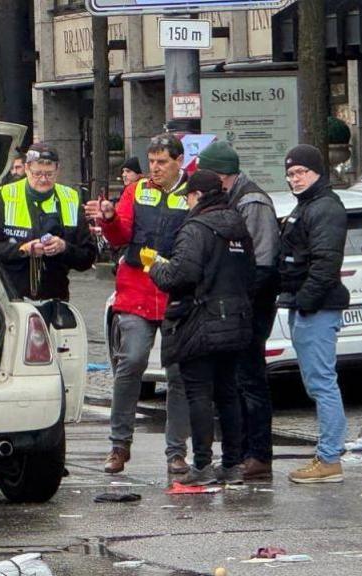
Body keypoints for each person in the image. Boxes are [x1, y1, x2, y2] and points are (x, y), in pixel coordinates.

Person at [85, 134, 192, 476]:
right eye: (152, 162)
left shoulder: (191, 193)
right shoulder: (137, 190)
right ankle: (119, 446)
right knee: (130, 362)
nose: (155, 168)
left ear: (179, 161)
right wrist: (110, 218)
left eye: (162, 162)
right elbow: (119, 237)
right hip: (136, 292)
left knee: (178, 374)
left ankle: (176, 452)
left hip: (177, 295)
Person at [146, 170, 254, 485]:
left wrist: (155, 268)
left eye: (188, 196)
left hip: (199, 322)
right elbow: (249, 273)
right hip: (235, 321)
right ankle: (233, 464)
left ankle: (203, 465)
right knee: (228, 392)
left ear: (198, 196)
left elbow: (181, 276)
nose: (187, 201)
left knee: (198, 394)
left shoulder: (196, 228)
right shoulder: (238, 226)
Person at [197, 141, 281, 481]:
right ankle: (243, 451)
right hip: (238, 303)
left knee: (250, 379)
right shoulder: (235, 197)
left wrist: (238, 300)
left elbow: (261, 262)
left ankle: (258, 454)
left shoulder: (252, 201)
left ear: (220, 175)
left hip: (251, 304)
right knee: (236, 380)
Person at [278, 144, 350, 484]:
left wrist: (305, 300)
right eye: (291, 174)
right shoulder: (308, 206)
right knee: (317, 383)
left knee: (322, 383)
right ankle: (327, 455)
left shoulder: (324, 209)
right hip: (306, 305)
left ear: (317, 172)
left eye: (301, 172)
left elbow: (325, 263)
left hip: (317, 308)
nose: (295, 179)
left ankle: (329, 458)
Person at [0, 144, 97, 300]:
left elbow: (87, 257)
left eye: (49, 174)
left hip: (55, 297)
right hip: (11, 298)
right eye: (37, 174)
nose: (43, 180)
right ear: (27, 169)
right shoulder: (5, 195)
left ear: (58, 170)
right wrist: (23, 249)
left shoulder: (70, 197)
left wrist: (64, 248)